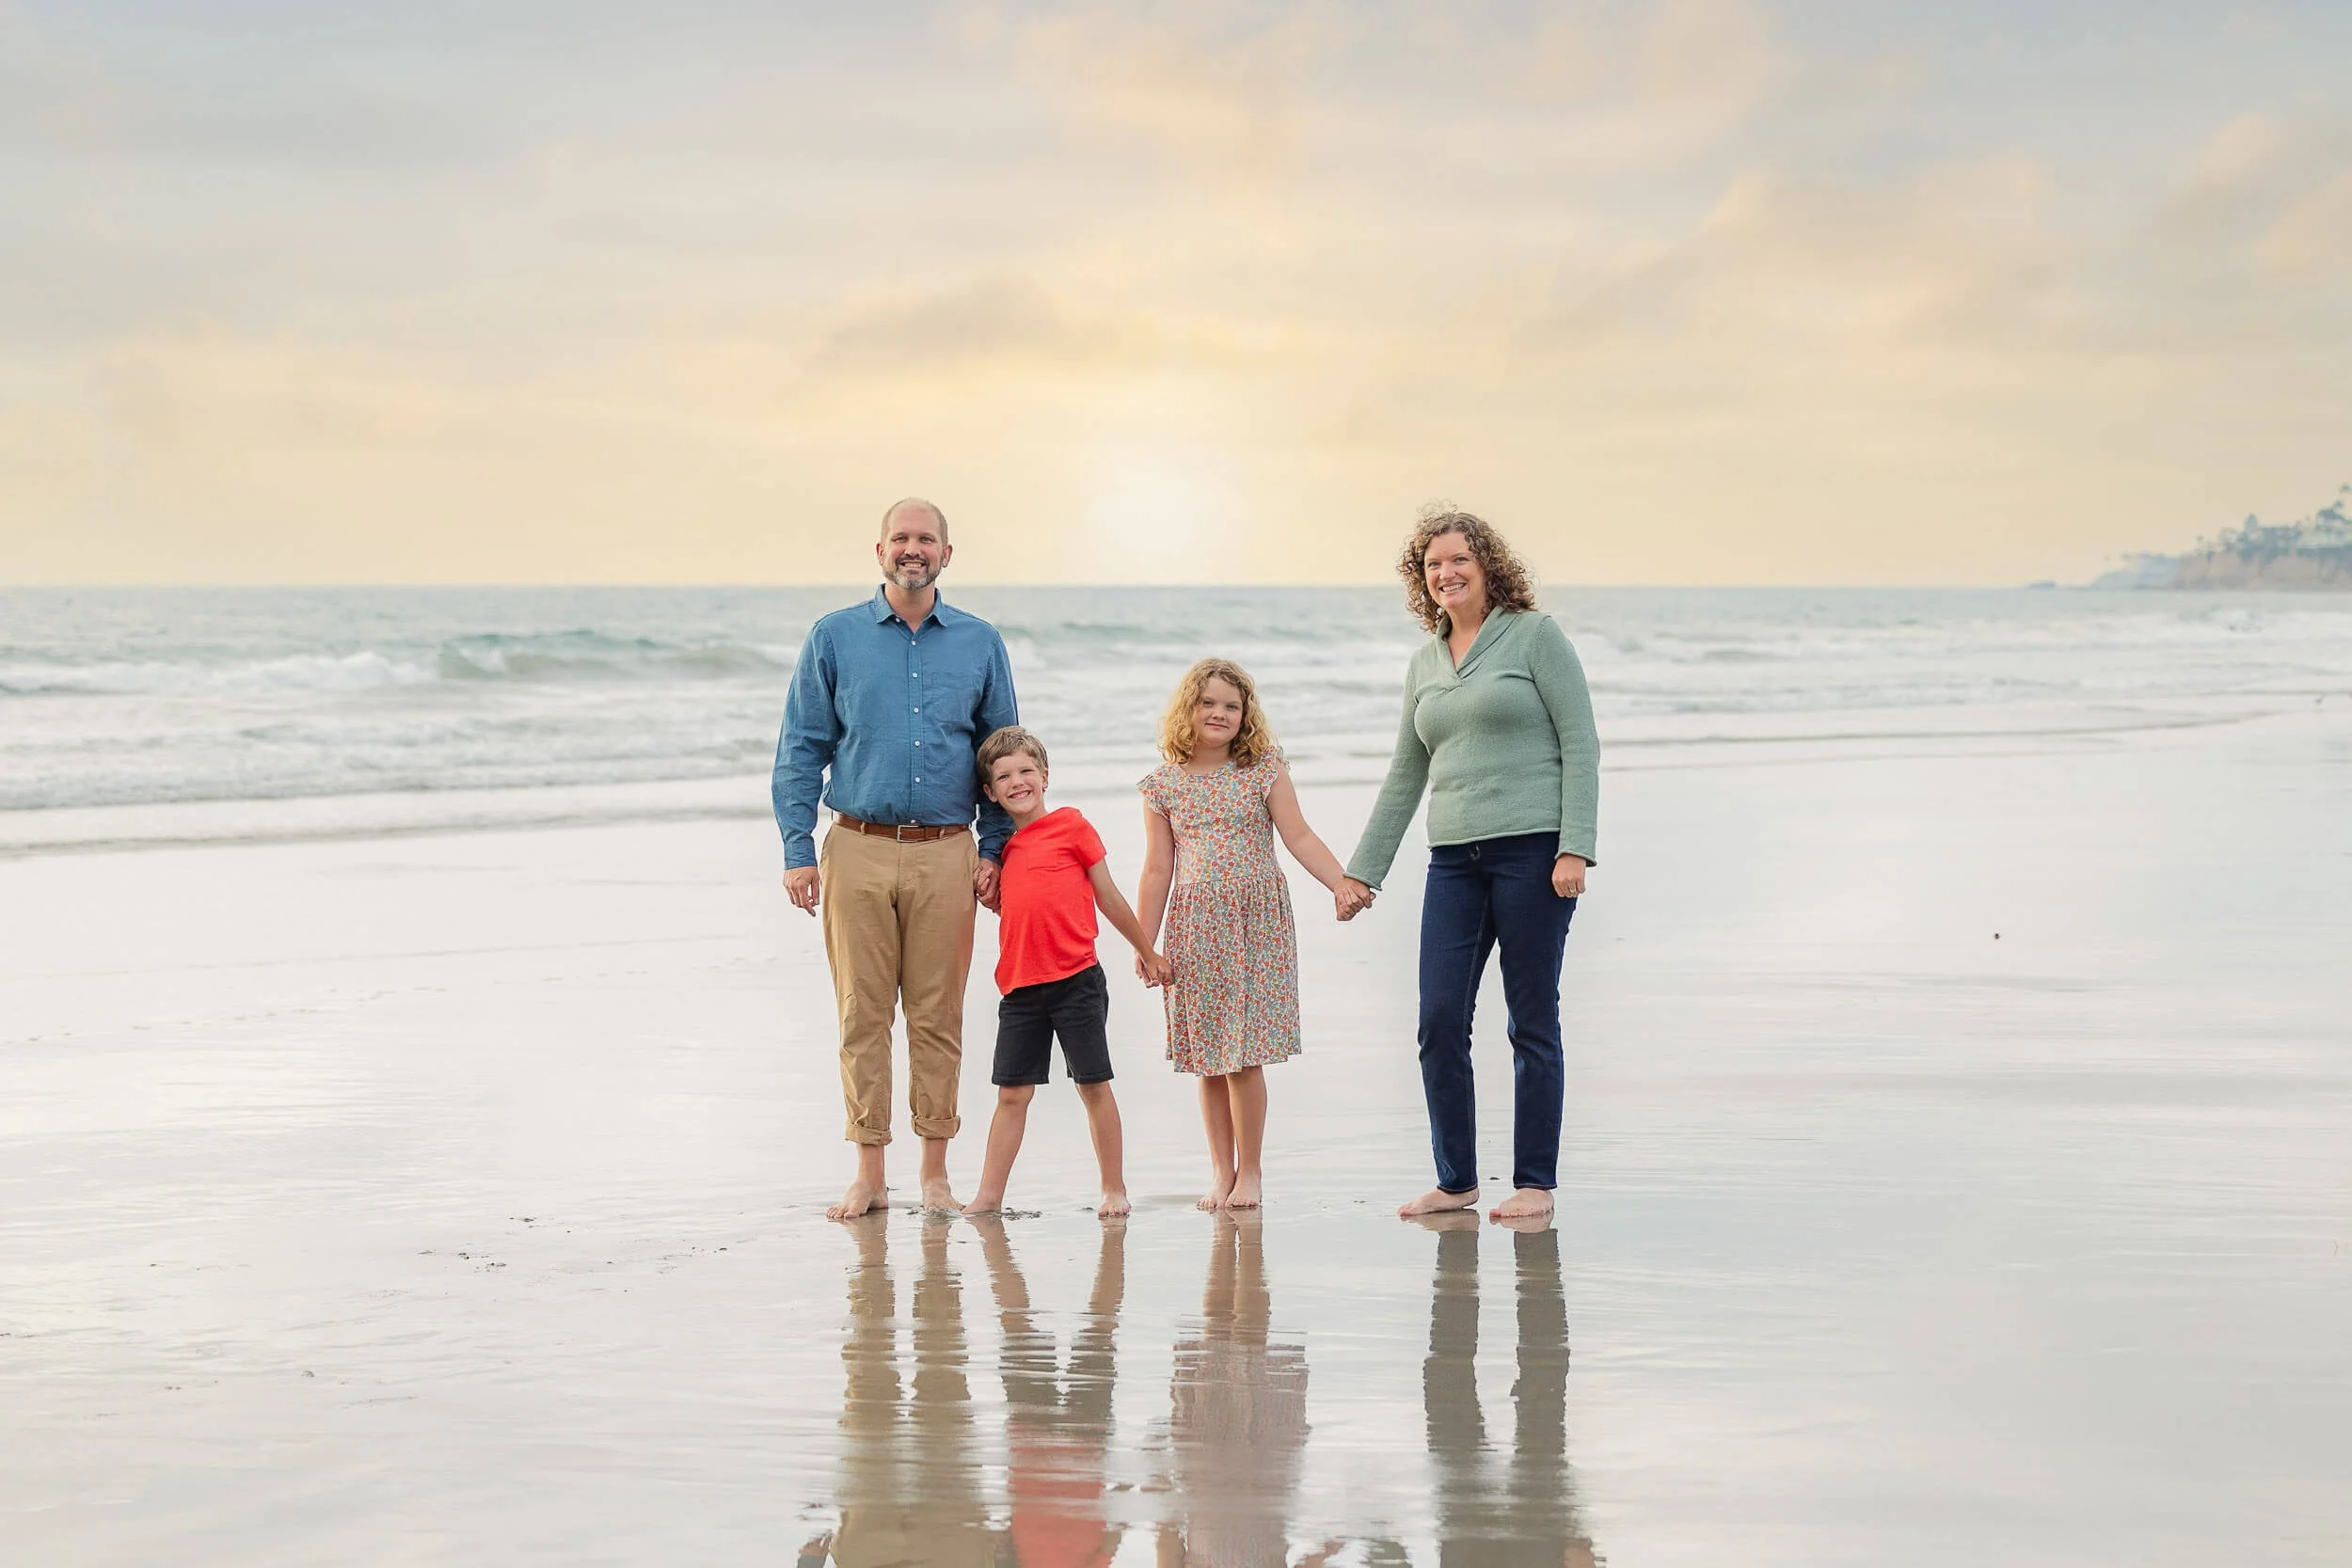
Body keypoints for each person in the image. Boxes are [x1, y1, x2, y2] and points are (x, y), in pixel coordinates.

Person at [1338, 508, 1600, 1224]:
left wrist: (1575, 843)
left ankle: (1535, 1182)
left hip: (1533, 853)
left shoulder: (1535, 637)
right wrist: (1363, 871)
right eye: (1432, 565)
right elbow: (1405, 773)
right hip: (1452, 859)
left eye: (1458, 560)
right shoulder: (1425, 662)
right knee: (1438, 1018)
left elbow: (1580, 741)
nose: (1446, 573)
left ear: (1487, 565)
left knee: (1530, 1018)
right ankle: (1455, 1180)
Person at [773, 499, 1018, 1221]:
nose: (913, 549)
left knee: (938, 1017)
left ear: (947, 552)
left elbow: (1001, 751)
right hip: (855, 846)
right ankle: (870, 1173)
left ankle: (936, 1175)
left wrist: (997, 849)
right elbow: (800, 748)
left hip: (948, 850)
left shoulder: (979, 641)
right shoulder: (835, 637)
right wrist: (797, 850)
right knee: (862, 1015)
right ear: (880, 548)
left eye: (926, 540)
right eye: (902, 538)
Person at [1135, 658, 1357, 1212]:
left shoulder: (1263, 768)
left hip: (1256, 923)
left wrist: (1340, 883)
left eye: (1232, 706)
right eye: (1208, 702)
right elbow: (1157, 868)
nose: (1219, 713)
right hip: (1197, 928)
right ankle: (1221, 1172)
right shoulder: (1163, 785)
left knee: (1245, 1055)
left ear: (1246, 714)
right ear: (1188, 709)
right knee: (1209, 1060)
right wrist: (1146, 943)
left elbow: (1299, 835)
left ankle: (1251, 1172)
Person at [961, 725, 1172, 1220]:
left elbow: (1110, 897)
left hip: (1076, 980)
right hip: (1019, 989)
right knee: (1012, 1094)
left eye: (1026, 771)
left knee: (1093, 1085)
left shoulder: (1073, 827)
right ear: (990, 792)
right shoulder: (999, 858)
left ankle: (1114, 1189)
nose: (1018, 782)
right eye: (1004, 776)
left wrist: (1148, 949)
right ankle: (988, 1197)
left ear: (1045, 776)